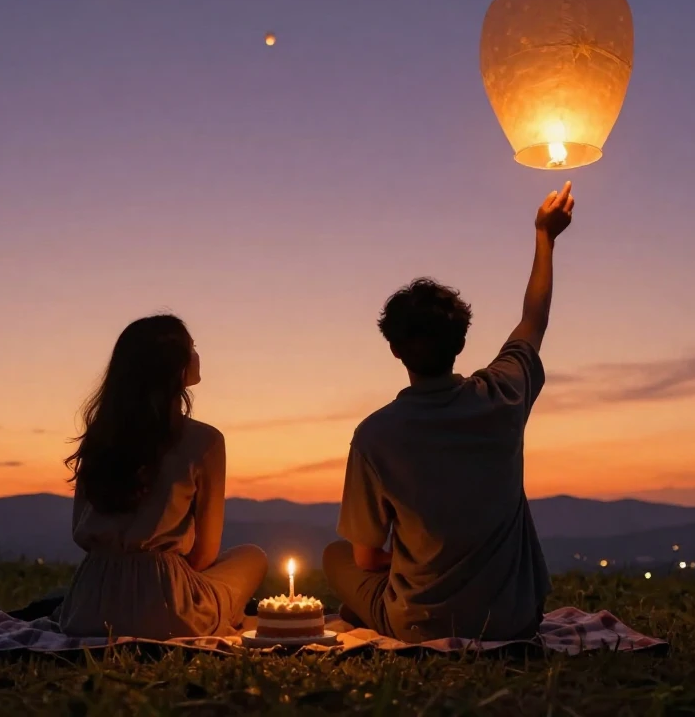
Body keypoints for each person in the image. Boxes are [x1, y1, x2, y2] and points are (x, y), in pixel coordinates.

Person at [321, 181, 575, 643]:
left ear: (395, 349)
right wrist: (545, 237)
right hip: (514, 620)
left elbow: (364, 559)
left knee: (335, 557)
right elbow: (533, 319)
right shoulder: (503, 394)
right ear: (461, 342)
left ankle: (368, 613)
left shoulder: (376, 435)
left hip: (421, 623)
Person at [51, 314, 268, 639]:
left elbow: (78, 531)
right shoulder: (204, 441)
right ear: (173, 365)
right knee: (252, 557)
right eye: (192, 347)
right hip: (168, 611)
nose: (197, 355)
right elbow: (204, 555)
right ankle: (222, 613)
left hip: (87, 607)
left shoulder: (101, 436)